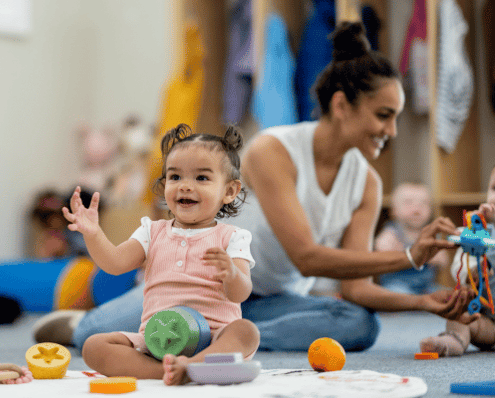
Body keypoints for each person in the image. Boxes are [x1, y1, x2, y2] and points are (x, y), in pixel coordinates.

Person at [33, 22, 470, 353]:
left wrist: (424, 303)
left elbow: (356, 287)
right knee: (95, 335)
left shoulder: (367, 184)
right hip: (198, 285)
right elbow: (307, 256)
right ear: (341, 106)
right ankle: (89, 324)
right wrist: (412, 256)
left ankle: (214, 341)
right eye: (383, 114)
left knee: (360, 325)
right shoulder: (273, 151)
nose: (391, 130)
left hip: (267, 298)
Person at [62, 124, 259, 385]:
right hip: (157, 342)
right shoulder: (151, 231)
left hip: (214, 337)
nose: (185, 186)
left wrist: (231, 274)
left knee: (246, 332)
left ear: (229, 191)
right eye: (175, 177)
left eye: (201, 178)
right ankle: (168, 371)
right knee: (94, 346)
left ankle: (193, 365)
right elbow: (115, 263)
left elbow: (240, 293)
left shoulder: (232, 237)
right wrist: (93, 234)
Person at [420, 165, 495, 356]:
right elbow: (459, 272)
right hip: (488, 323)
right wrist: (474, 262)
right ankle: (453, 340)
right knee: (460, 314)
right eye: (494, 189)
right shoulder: (480, 234)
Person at [375, 182, 450, 294]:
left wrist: (435, 257)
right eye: (408, 203)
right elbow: (379, 251)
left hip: (426, 287)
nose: (416, 210)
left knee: (448, 294)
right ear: (394, 210)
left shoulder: (431, 234)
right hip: (397, 284)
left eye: (423, 204)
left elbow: (443, 261)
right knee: (395, 294)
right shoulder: (392, 233)